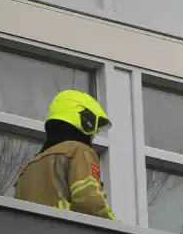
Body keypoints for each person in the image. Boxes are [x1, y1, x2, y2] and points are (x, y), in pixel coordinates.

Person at [14, 90, 116, 220]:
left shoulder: (28, 169)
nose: (94, 135)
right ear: (85, 120)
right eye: (94, 130)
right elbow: (89, 202)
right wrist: (120, 232)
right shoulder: (80, 151)